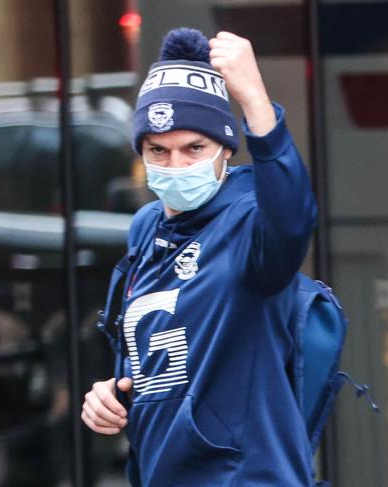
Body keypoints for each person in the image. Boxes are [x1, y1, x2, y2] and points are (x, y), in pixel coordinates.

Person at [82, 27, 318, 486]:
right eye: (158, 151)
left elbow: (294, 220)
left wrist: (254, 100)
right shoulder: (146, 229)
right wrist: (111, 396)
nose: (175, 166)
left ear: (226, 149)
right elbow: (159, 361)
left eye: (194, 148)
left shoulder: (250, 219)